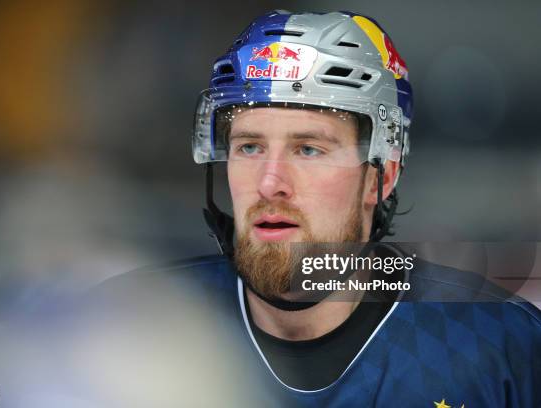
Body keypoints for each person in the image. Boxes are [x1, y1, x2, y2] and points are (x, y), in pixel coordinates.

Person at [94, 9, 541, 407]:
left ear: (381, 176)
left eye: (308, 149)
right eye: (249, 147)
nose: (270, 183)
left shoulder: (499, 343)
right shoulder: (129, 329)